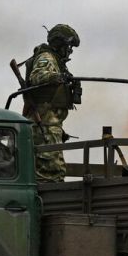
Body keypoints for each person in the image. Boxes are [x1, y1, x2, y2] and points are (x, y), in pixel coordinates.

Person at [23, 24, 80, 183]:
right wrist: (56, 77)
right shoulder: (46, 57)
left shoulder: (55, 60)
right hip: (44, 126)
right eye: (68, 46)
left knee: (54, 171)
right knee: (50, 173)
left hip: (50, 125)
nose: (70, 50)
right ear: (59, 43)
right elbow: (38, 76)